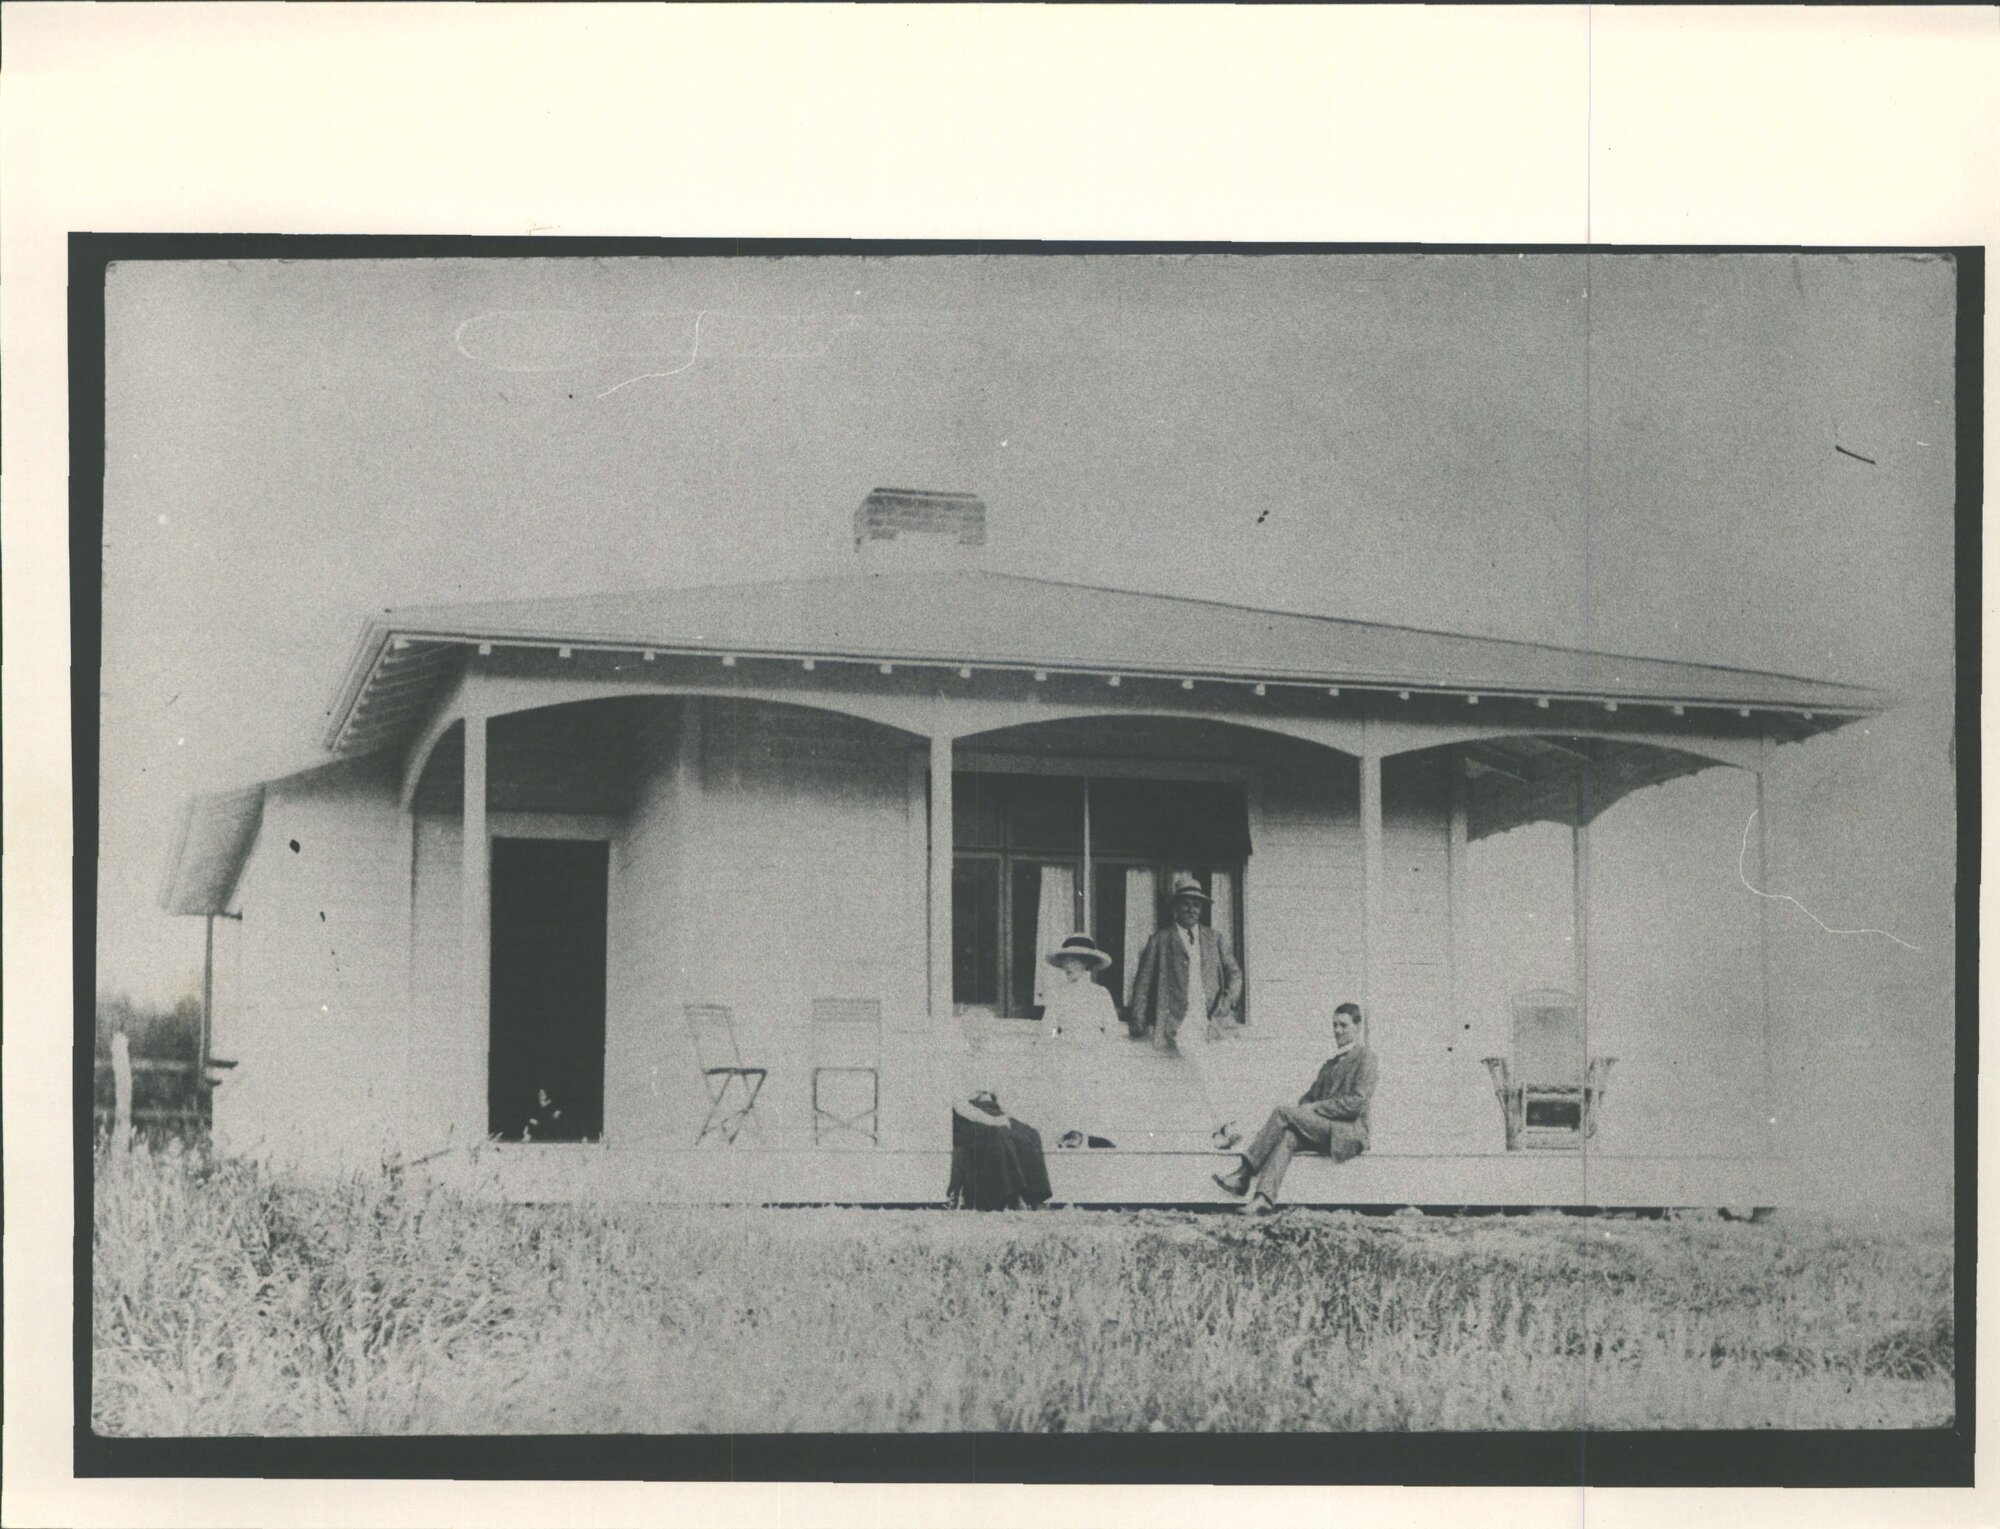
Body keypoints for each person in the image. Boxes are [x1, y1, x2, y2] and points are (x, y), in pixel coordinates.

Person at [1212, 1002, 1376, 1214]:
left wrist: (1315, 1109)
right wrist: (1307, 1108)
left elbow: (1356, 1103)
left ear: (1358, 1026)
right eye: (1334, 1025)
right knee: (1289, 1136)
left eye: (1343, 1025)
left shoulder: (1366, 1058)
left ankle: (1244, 1173)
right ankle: (1263, 1199)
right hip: (1327, 1129)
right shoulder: (1330, 1065)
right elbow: (1308, 1099)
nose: (1337, 1031)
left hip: (1349, 1132)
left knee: (1282, 1112)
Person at [1126, 873, 1243, 1144]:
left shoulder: (1214, 938)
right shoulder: (1161, 939)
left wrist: (1227, 1003)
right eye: (1186, 904)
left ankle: (1220, 1131)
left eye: (1197, 905)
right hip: (1178, 1021)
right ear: (1176, 907)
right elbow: (1144, 981)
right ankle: (1225, 1127)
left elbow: (1235, 973)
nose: (1192, 910)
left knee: (1223, 1068)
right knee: (1203, 1063)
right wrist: (1138, 1019)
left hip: (1213, 1019)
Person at [1038, 932, 1124, 1146]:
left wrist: (1104, 1052)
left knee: (1093, 1088)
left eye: (1074, 961)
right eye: (1065, 961)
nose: (1068, 966)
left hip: (1094, 1050)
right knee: (1068, 1087)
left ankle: (1093, 1135)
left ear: (1086, 963)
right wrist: (1054, 1046)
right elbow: (1049, 1028)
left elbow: (1111, 1028)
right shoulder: (1058, 993)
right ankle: (1071, 1133)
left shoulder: (1100, 993)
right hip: (1067, 1049)